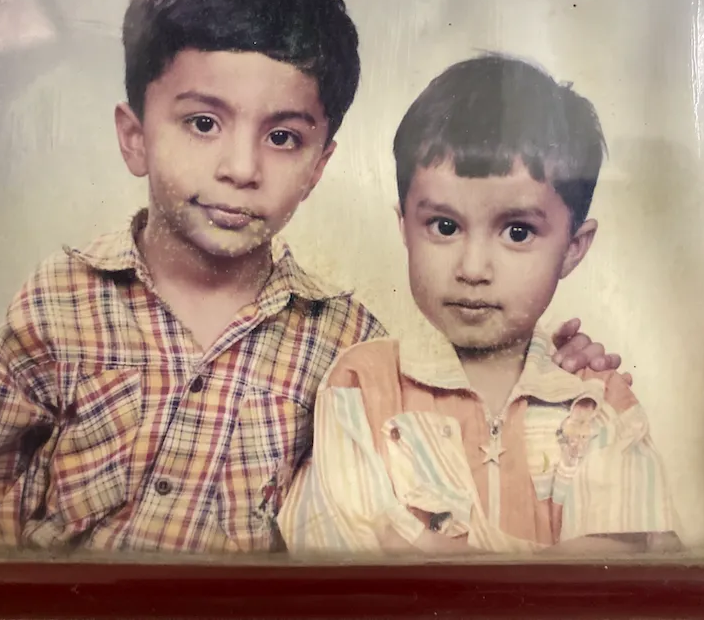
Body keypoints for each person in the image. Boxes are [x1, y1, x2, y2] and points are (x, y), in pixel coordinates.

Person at [0, 0, 619, 554]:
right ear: (135, 136)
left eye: (283, 137)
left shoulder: (347, 345)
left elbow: (436, 458)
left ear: (318, 164)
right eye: (202, 123)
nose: (241, 168)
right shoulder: (60, 299)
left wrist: (544, 367)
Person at [278, 54, 679, 556]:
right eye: (444, 227)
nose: (472, 267)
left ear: (574, 248)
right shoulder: (363, 384)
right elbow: (347, 562)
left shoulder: (597, 402)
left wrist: (427, 549)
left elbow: (612, 582)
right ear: (404, 226)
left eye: (517, 232)